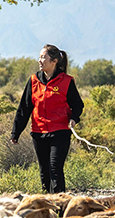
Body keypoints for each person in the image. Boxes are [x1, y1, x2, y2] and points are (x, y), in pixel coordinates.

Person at [10, 44, 84, 194]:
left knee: (55, 169)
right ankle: (47, 205)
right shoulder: (33, 81)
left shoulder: (66, 81)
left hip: (60, 132)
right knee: (44, 172)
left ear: (54, 61)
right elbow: (24, 109)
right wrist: (15, 132)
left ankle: (59, 207)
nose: (40, 60)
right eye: (39, 57)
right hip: (38, 133)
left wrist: (74, 119)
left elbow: (77, 104)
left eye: (43, 57)